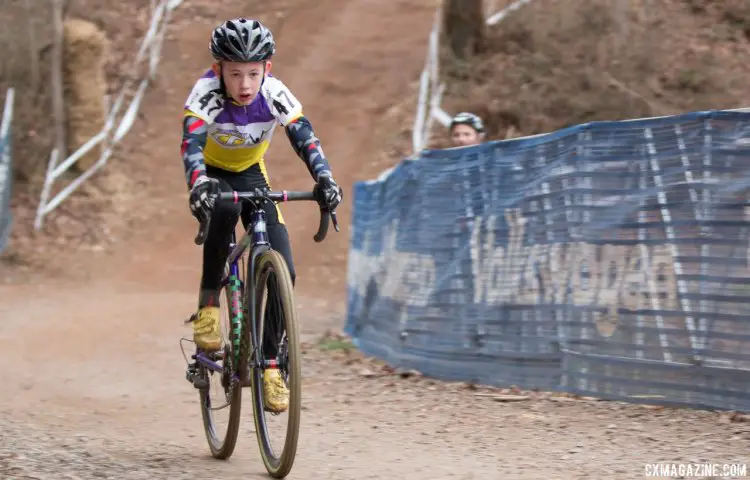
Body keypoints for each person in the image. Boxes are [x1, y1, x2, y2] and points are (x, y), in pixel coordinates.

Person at [181, 18, 343, 413]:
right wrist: (199, 182)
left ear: (267, 70)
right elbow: (191, 143)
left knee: (284, 269)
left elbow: (304, 134)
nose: (244, 85)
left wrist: (324, 177)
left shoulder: (273, 92)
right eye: (234, 74)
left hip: (253, 171)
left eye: (253, 74)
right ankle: (208, 309)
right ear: (218, 69)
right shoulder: (206, 94)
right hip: (214, 173)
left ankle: (270, 365)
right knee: (224, 210)